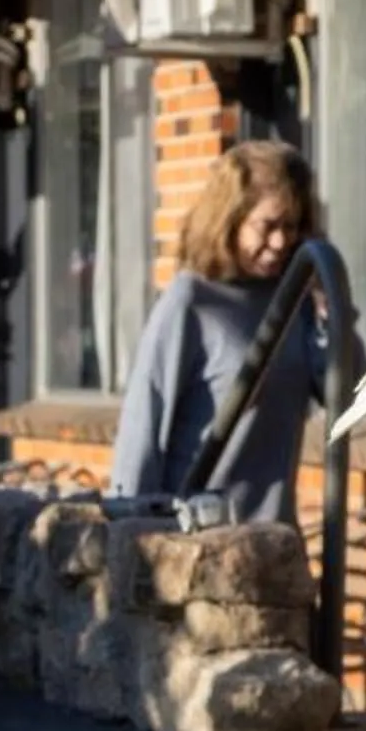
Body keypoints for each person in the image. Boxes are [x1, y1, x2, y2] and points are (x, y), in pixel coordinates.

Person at [110, 140, 330, 525]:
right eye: (267, 226)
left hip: (272, 535)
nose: (280, 242)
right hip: (199, 537)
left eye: (291, 227)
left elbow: (344, 391)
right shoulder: (192, 300)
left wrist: (328, 307)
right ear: (230, 220)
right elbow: (144, 422)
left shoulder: (294, 299)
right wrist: (130, 532)